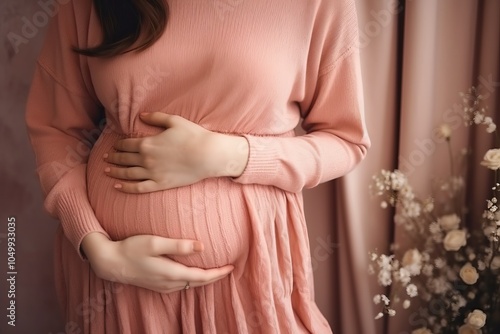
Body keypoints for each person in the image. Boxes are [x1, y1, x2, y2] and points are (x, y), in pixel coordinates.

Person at [25, 0, 370, 333]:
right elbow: (55, 130)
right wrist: (95, 245)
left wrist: (231, 155)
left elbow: (345, 140)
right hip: (114, 286)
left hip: (247, 283)